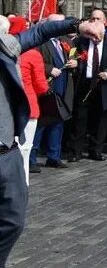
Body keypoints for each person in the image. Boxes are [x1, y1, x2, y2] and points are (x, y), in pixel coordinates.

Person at [0, 13, 103, 267]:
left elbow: (39, 32)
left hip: (7, 153)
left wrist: (78, 25)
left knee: (13, 220)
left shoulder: (5, 47)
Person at [72, 19, 107, 161]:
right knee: (80, 118)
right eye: (92, 36)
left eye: (97, 36)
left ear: (103, 33)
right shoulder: (80, 42)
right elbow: (72, 54)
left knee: (101, 119)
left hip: (103, 85)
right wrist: (74, 61)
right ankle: (76, 151)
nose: (94, 39)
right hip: (84, 83)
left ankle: (96, 151)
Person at [36, 14, 78, 167]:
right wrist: (49, 69)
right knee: (42, 123)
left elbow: (75, 56)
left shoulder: (66, 41)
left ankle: (54, 156)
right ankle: (32, 159)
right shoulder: (40, 41)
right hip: (48, 88)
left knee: (58, 122)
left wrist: (75, 62)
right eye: (58, 24)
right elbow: (33, 61)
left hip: (64, 86)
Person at [12, 17, 47, 182]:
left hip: (7, 107)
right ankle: (22, 183)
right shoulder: (32, 54)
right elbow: (41, 86)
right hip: (28, 106)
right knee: (25, 150)